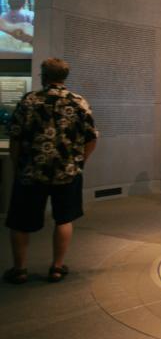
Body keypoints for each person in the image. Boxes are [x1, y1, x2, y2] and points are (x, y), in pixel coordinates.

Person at [3, 58, 98, 284]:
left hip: (31, 172)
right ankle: (56, 268)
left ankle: (20, 269)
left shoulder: (30, 100)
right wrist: (78, 163)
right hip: (67, 172)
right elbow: (91, 138)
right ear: (64, 76)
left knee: (19, 221)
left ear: (43, 75)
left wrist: (18, 166)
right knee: (64, 219)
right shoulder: (78, 102)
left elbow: (15, 138)